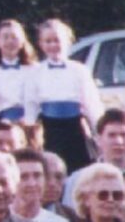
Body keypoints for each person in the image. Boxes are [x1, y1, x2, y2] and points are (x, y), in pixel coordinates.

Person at [33, 19, 105, 174]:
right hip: (48, 130)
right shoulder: (35, 72)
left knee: (78, 169)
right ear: (41, 44)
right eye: (48, 41)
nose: (53, 45)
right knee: (50, 169)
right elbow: (30, 105)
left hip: (74, 128)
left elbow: (92, 104)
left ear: (68, 41)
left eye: (57, 40)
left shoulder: (79, 70)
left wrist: (99, 133)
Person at [64, 110, 125, 208]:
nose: (118, 141)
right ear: (98, 140)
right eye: (111, 135)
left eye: (124, 135)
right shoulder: (77, 180)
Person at [0, 19, 39, 124]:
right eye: (5, 37)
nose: (10, 41)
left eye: (14, 37)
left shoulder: (35, 70)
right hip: (2, 124)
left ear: (22, 42)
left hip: (32, 122)